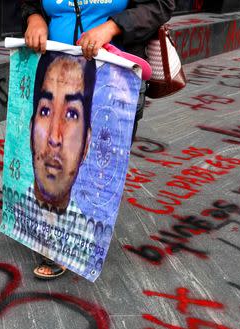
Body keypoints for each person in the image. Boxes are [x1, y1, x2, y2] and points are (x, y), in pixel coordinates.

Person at [21, 0, 174, 279]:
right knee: (53, 151)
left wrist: (112, 28)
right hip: (56, 71)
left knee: (96, 164)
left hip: (115, 76)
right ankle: (56, 243)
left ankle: (83, 233)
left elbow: (161, 4)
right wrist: (33, 17)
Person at [31, 52, 96, 214]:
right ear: (30, 129)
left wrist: (111, 27)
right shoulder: (16, 213)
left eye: (71, 114)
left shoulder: (87, 235)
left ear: (86, 143)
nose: (54, 138)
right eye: (45, 111)